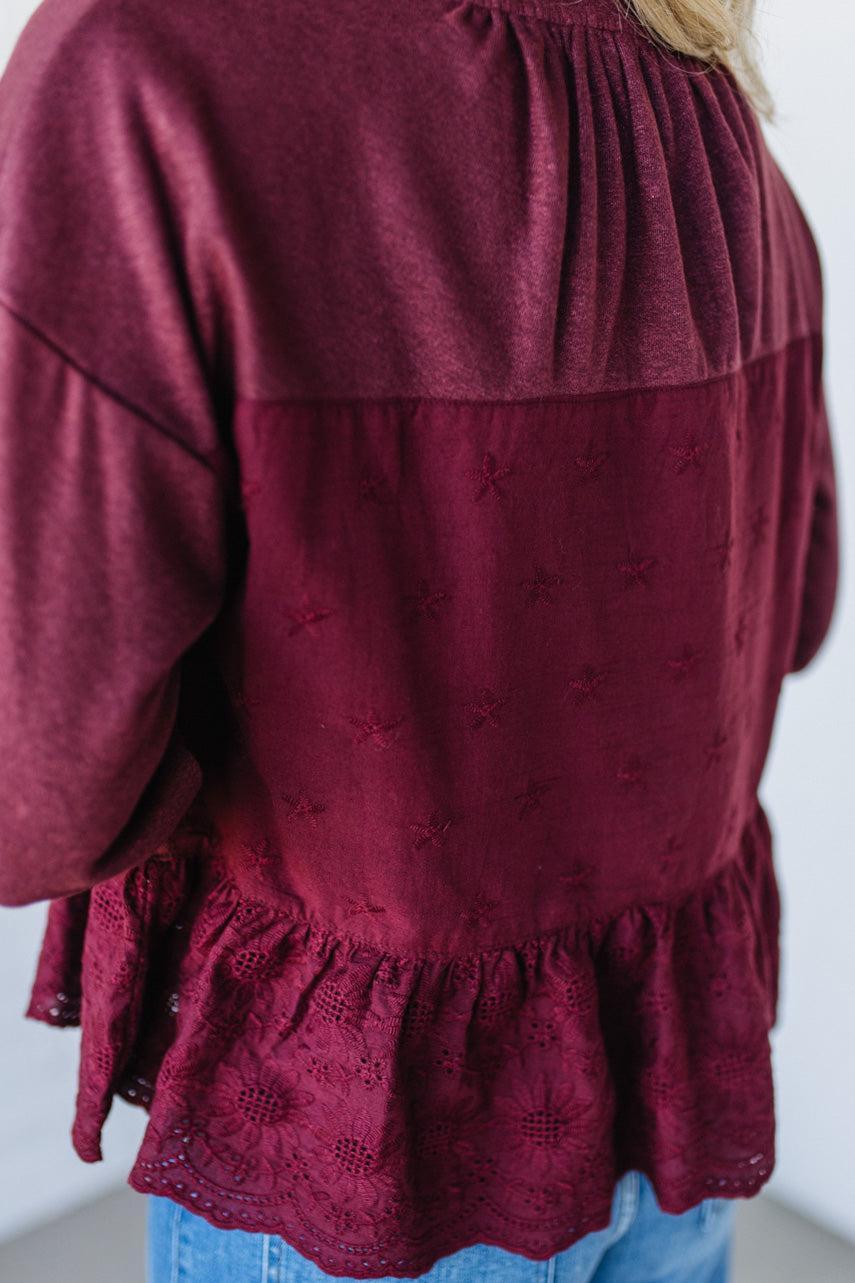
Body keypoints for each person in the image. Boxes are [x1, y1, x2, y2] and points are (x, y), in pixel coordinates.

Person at [0, 0, 839, 1280]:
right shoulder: (711, 101)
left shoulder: (149, 62)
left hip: (366, 1149)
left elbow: (34, 773)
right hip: (658, 1114)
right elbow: (800, 602)